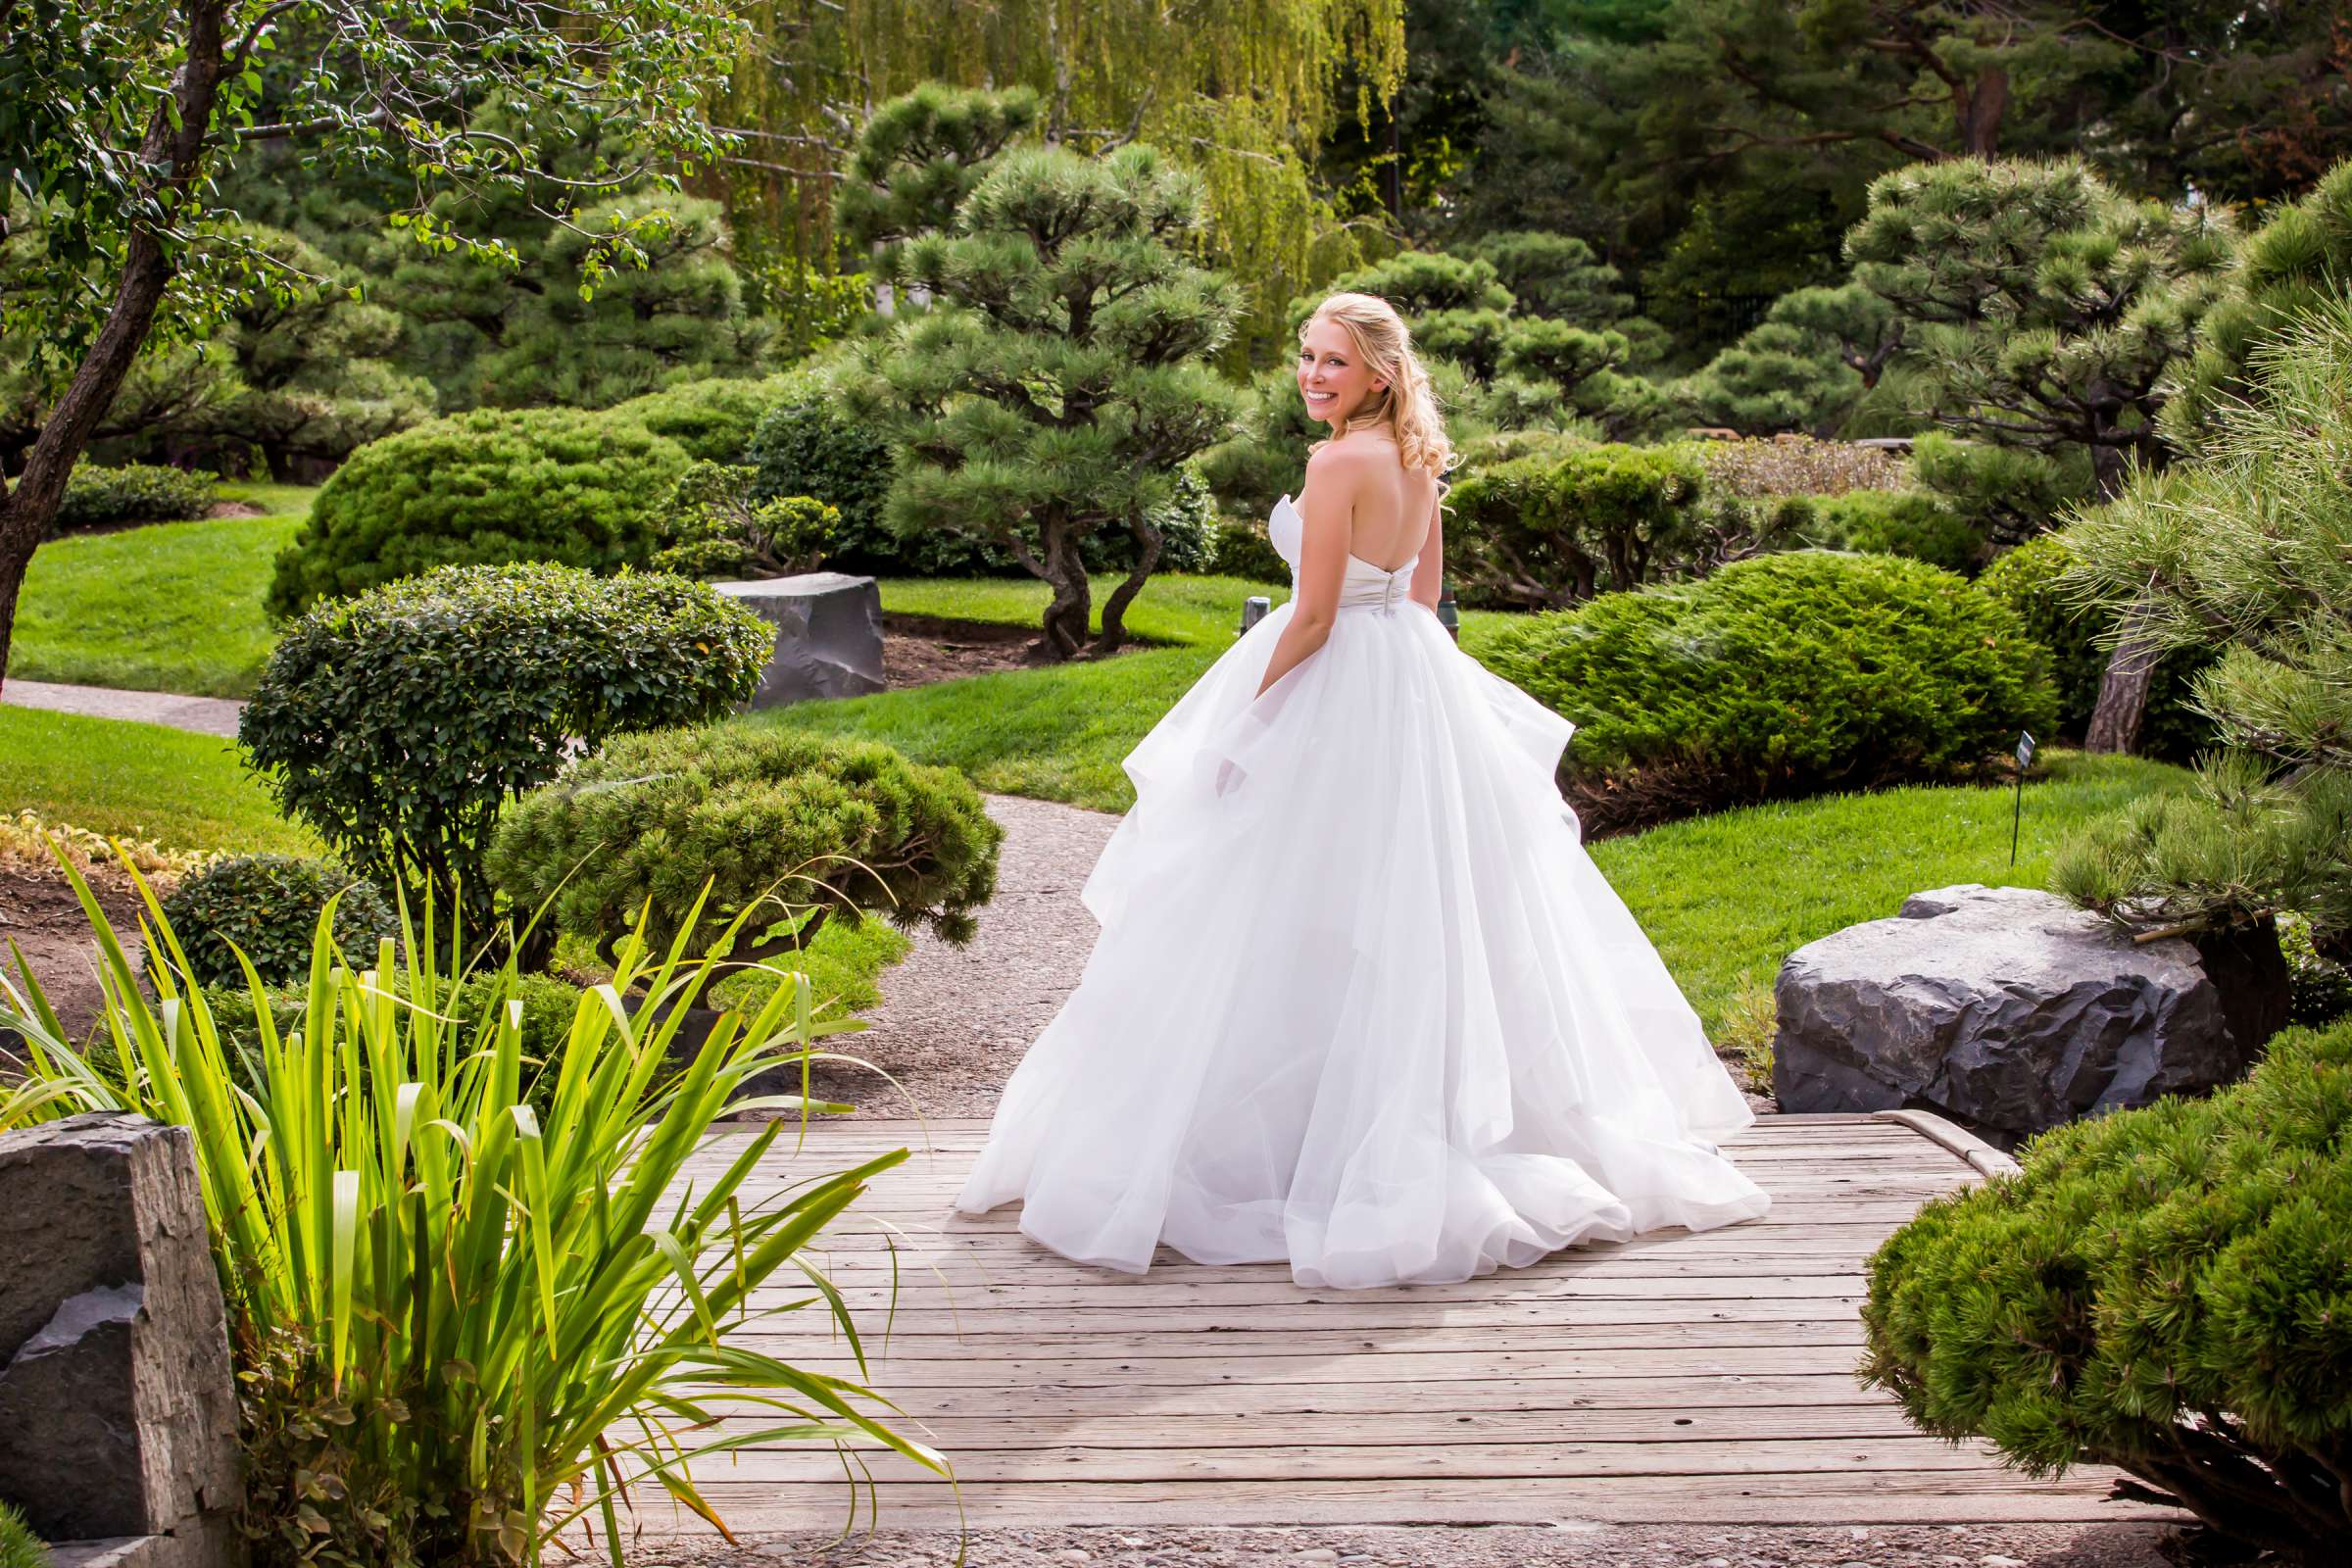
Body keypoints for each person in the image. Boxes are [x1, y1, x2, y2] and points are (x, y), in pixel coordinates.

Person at [953, 292, 1771, 1288]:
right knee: (1410, 910)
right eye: (1304, 357)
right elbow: (1423, 599)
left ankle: (1293, 1142)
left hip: (1340, 681)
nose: (1310, 375)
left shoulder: (1337, 461)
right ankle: (1370, 1124)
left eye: (1332, 361)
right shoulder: (1421, 456)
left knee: (1286, 904)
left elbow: (1311, 618)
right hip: (1413, 684)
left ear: (1378, 372)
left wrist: (1242, 720)